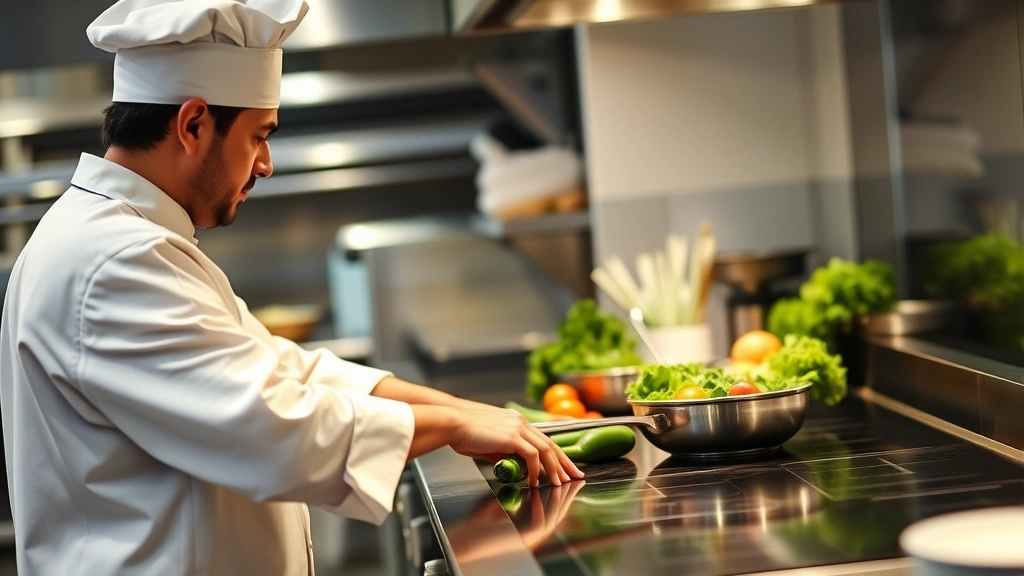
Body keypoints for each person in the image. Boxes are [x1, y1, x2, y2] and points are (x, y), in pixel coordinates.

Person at [0, 1, 582, 574]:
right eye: (259, 136)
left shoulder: (124, 239)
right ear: (193, 124)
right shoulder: (112, 264)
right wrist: (454, 426)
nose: (266, 164)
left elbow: (283, 370)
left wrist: (464, 410)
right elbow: (270, 427)